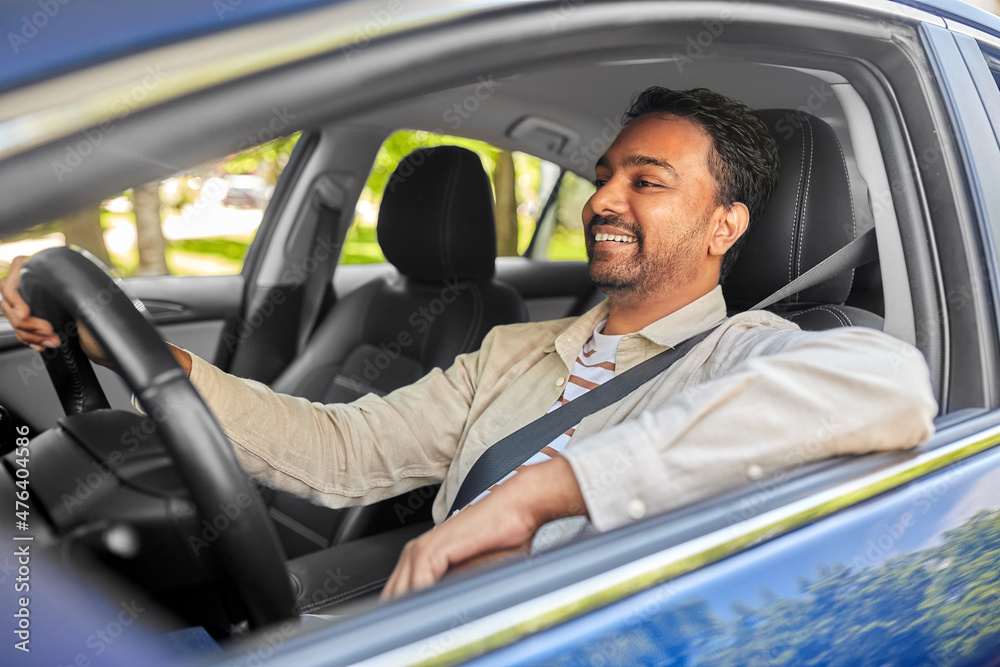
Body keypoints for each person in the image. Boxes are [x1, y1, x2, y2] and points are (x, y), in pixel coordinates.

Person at [0, 87, 937, 600]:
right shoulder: (513, 351)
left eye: (648, 182)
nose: (602, 199)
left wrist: (545, 489)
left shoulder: (749, 350)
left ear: (727, 225)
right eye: (605, 176)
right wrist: (158, 367)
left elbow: (889, 388)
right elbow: (345, 450)